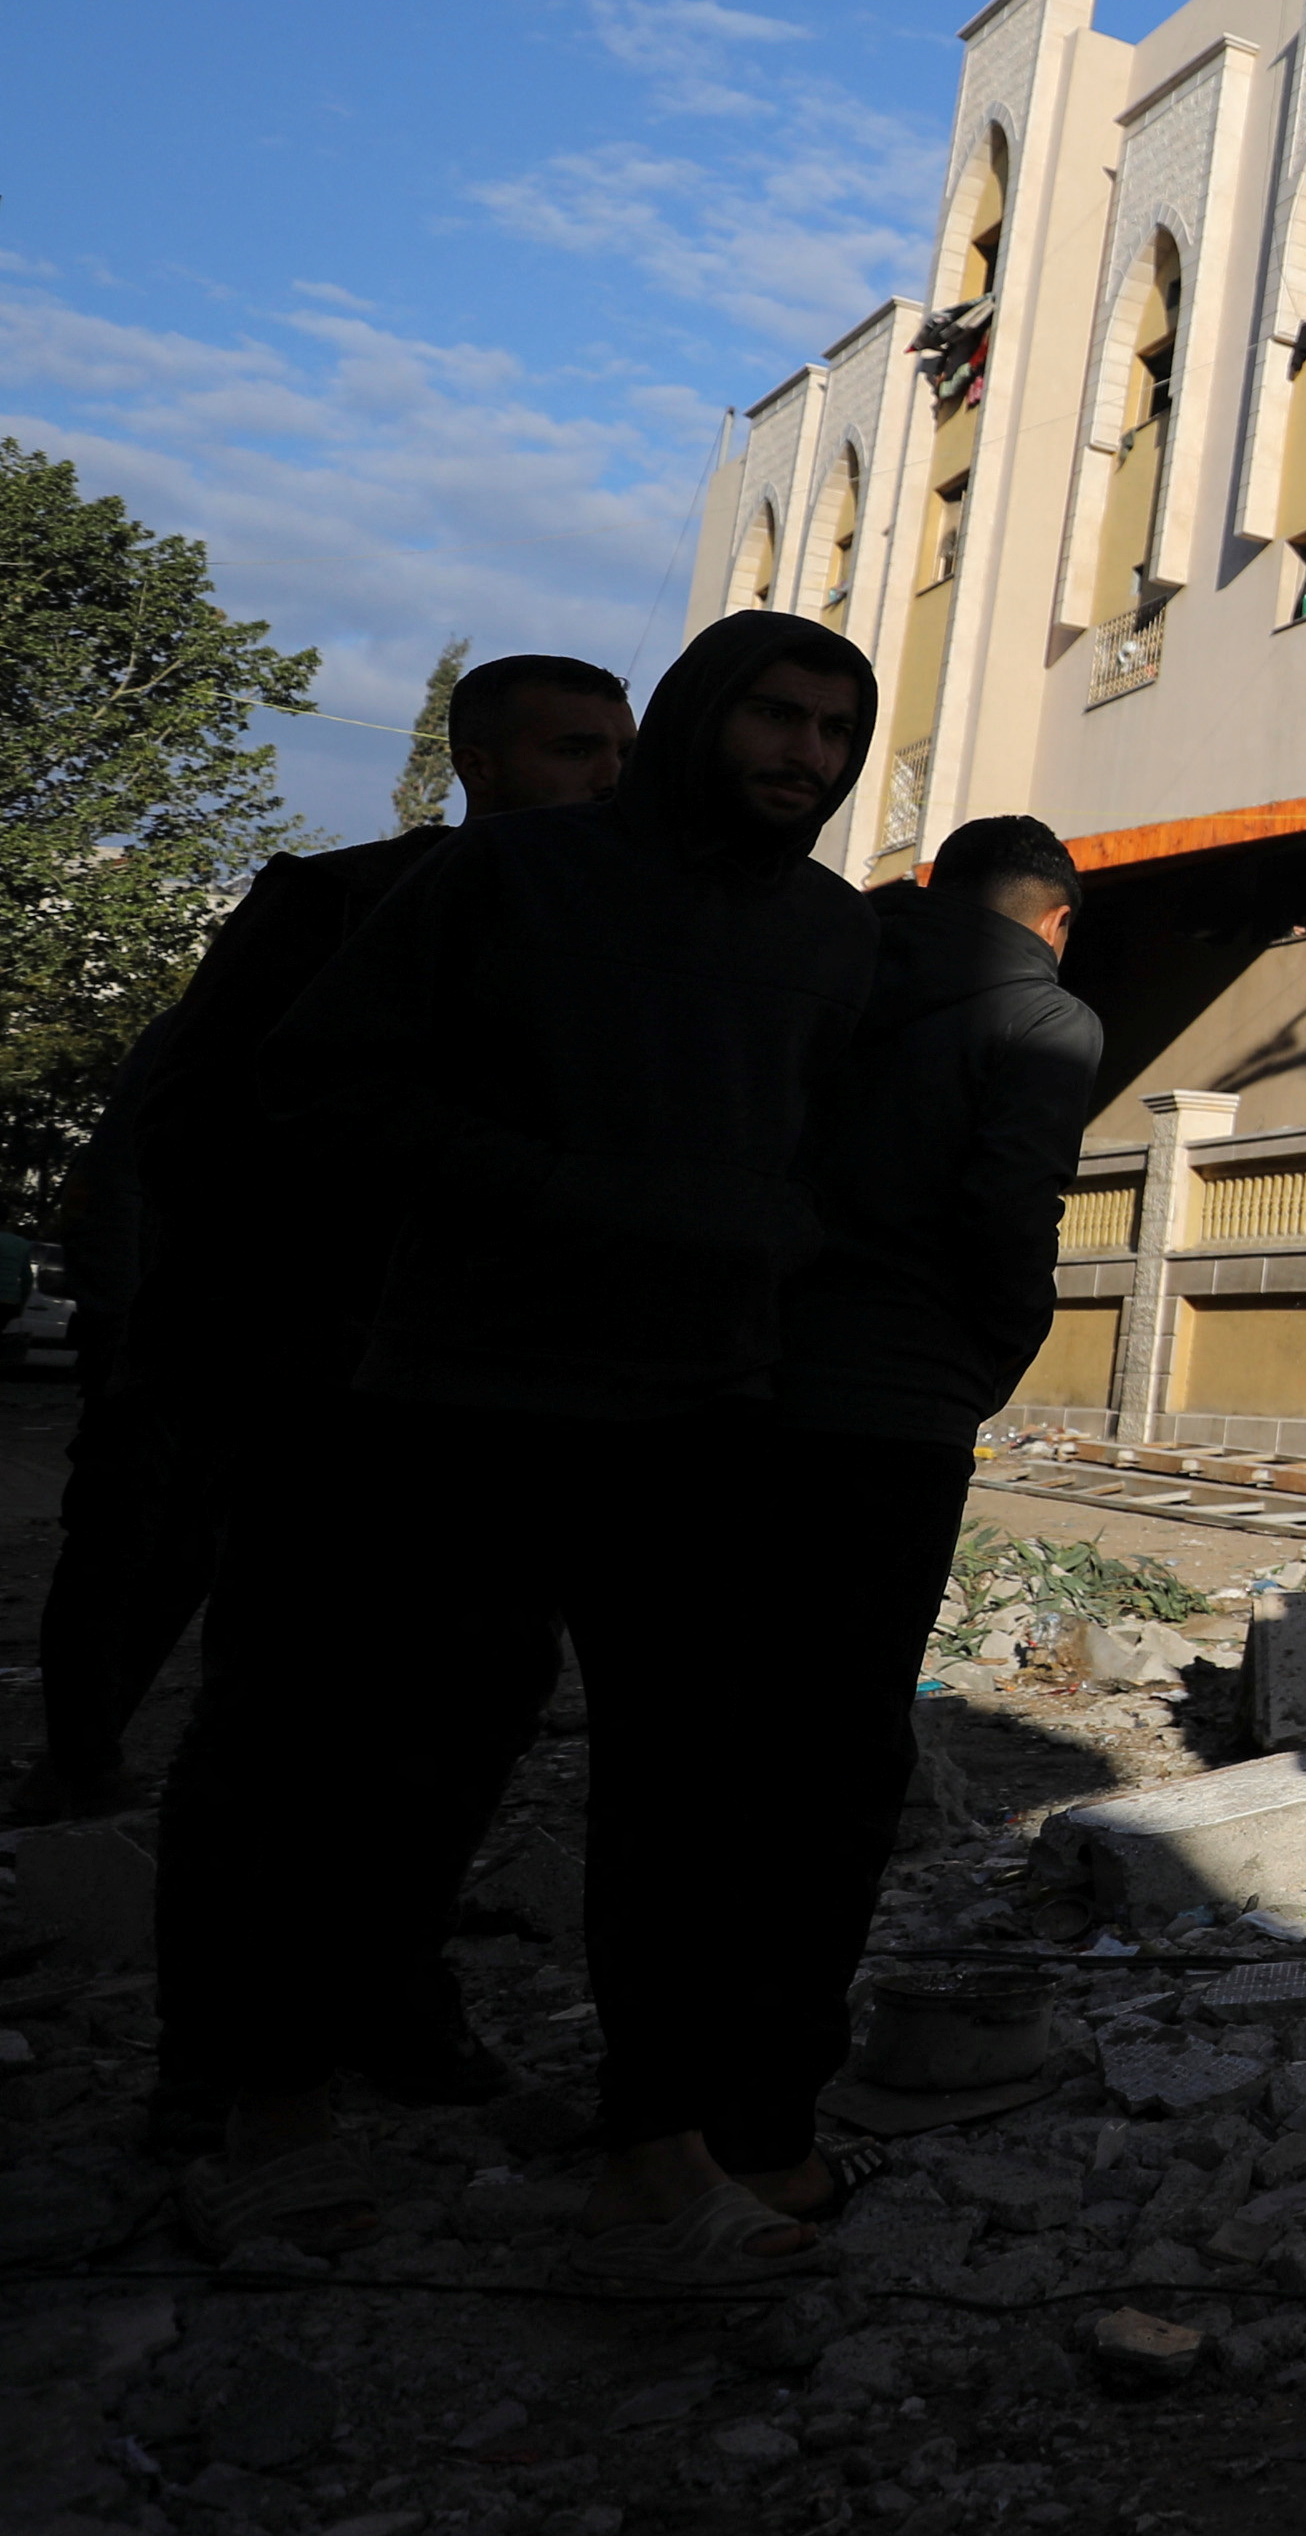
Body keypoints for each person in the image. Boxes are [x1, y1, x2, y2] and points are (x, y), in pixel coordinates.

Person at [188, 613, 878, 2283]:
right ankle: (262, 2111)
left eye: (836, 730)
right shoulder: (504, 878)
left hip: (702, 1419)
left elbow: (834, 1159)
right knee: (374, 1758)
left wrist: (790, 1262)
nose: (805, 755)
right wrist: (572, 1196)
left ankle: (656, 2151)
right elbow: (322, 1086)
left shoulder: (832, 931)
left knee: (686, 1797)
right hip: (468, 1399)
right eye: (776, 716)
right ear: (702, 715)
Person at [36, 657, 640, 1839]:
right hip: (275, 1341)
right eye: (575, 749)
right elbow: (191, 1115)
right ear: (478, 763)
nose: (609, 778)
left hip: (475, 1369)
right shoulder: (340, 900)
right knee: (182, 1577)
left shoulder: (615, 938)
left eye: (623, 752)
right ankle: (87, 1782)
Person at [728, 812, 1100, 2219]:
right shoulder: (1041, 1016)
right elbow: (1011, 1209)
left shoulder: (822, 964)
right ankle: (770, 2126)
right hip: (890, 1408)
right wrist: (986, 1356)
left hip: (733, 1383)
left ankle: (662, 2103)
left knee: (714, 1739)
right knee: (837, 1759)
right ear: (1054, 917)